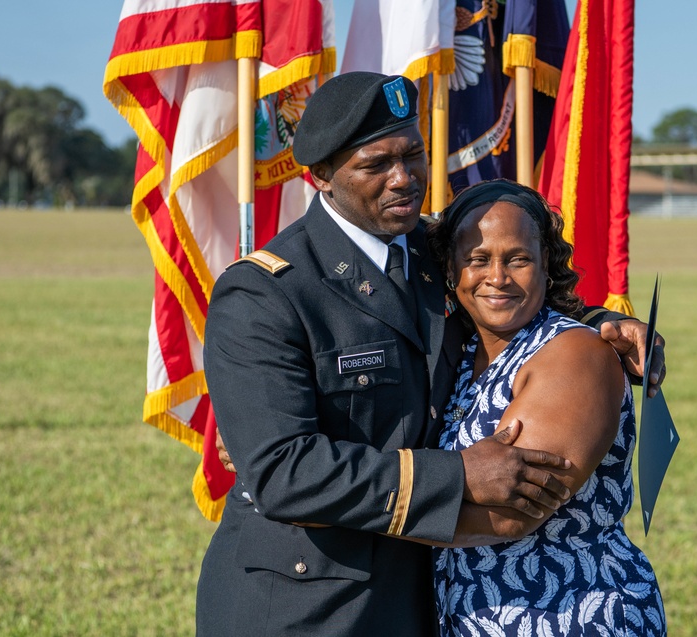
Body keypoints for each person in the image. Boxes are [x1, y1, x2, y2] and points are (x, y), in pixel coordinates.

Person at [197, 72, 664, 636]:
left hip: (427, 596)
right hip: (306, 603)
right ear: (319, 175)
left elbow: (509, 293)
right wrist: (456, 475)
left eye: (414, 155)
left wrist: (600, 323)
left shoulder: (436, 250)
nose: (405, 179)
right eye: (376, 165)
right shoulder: (268, 292)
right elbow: (282, 472)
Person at [426, 180, 666, 635]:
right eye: (477, 260)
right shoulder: (458, 351)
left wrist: (357, 511)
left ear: (546, 268)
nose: (497, 278)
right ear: (451, 270)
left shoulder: (577, 356)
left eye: (518, 259)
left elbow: (514, 512)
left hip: (573, 611)